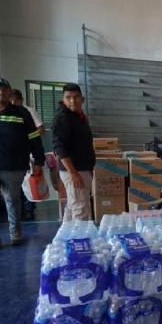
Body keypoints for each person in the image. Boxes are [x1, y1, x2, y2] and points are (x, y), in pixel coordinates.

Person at [0, 78, 45, 251]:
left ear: (9, 91)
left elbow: (34, 137)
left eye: (4, 89)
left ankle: (15, 231)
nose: (1, 92)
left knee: (12, 199)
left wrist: (39, 161)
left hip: (13, 165)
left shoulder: (21, 113)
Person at [52, 83, 96, 221]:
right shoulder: (63, 117)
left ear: (82, 99)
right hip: (74, 170)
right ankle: (79, 240)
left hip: (82, 168)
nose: (72, 101)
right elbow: (60, 147)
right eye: (68, 97)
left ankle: (66, 239)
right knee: (80, 209)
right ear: (63, 99)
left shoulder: (78, 116)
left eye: (76, 97)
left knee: (73, 206)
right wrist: (73, 173)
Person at [10, 88, 44, 220]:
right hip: (13, 155)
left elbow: (40, 129)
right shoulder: (6, 112)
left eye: (16, 100)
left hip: (28, 153)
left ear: (21, 100)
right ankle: (20, 210)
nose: (13, 102)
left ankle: (29, 209)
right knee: (16, 183)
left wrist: (28, 138)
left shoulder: (28, 111)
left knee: (29, 182)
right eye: (11, 99)